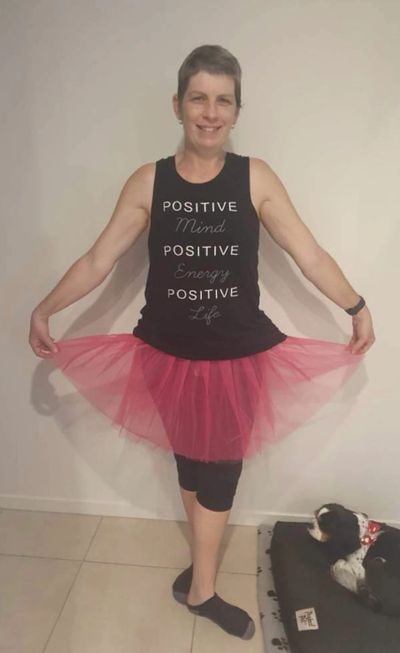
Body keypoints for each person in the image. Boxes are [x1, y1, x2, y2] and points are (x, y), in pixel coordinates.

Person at [29, 45, 375, 640]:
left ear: (237, 110)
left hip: (236, 358)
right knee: (191, 462)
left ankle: (202, 586)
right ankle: (203, 581)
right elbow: (97, 259)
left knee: (219, 472)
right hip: (164, 356)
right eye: (198, 98)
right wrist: (45, 308)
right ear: (178, 104)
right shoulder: (148, 181)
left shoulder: (255, 177)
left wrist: (356, 305)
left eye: (223, 100)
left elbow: (308, 253)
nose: (210, 112)